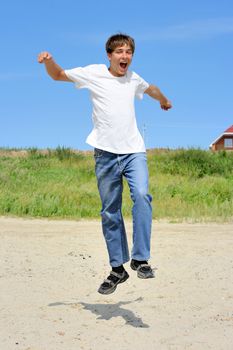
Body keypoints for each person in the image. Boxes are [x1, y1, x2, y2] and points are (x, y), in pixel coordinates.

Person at [38, 33, 172, 295]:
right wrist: (48, 61)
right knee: (110, 210)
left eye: (129, 52)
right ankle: (117, 269)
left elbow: (150, 88)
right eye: (120, 52)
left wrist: (163, 100)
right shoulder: (94, 73)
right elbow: (58, 75)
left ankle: (141, 259)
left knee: (142, 196)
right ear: (109, 55)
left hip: (134, 151)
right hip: (105, 154)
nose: (125, 56)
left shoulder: (133, 79)